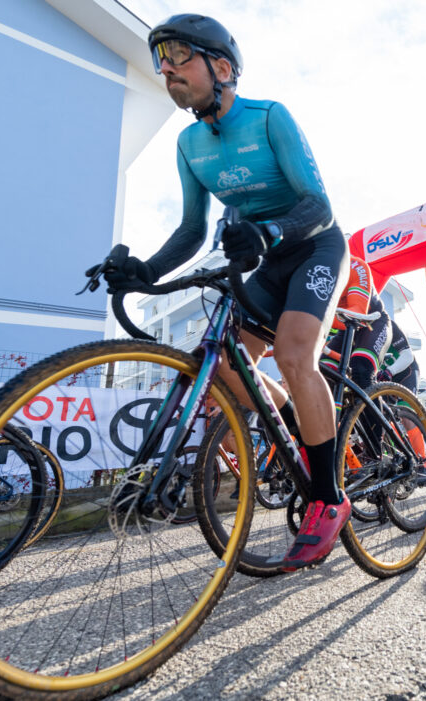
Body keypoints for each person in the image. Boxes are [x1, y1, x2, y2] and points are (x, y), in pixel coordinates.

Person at [91, 15, 349, 570]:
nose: (166, 69)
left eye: (180, 56)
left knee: (293, 354)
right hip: (266, 258)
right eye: (161, 61)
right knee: (229, 366)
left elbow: (319, 205)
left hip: (314, 245)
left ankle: (329, 497)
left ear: (223, 68)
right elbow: (191, 230)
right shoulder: (188, 143)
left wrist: (270, 231)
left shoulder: (269, 117)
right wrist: (145, 271)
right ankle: (300, 431)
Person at [322, 255, 391, 390]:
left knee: (360, 369)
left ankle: (372, 403)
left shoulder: (355, 266)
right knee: (323, 371)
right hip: (345, 329)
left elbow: (358, 312)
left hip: (372, 323)